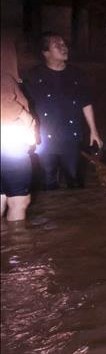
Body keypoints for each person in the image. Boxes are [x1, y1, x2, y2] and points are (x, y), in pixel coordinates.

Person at [23, 33, 102, 190]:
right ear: (46, 53)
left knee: (75, 181)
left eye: (63, 44)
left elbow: (86, 103)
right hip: (44, 138)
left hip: (71, 136)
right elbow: (25, 105)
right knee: (47, 182)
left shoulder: (77, 74)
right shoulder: (33, 75)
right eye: (56, 45)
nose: (63, 47)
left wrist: (94, 131)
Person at [1, 35, 36, 221]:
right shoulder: (5, 77)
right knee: (18, 202)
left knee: (0, 198)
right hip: (9, 149)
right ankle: (16, 248)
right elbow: (5, 107)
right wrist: (27, 119)